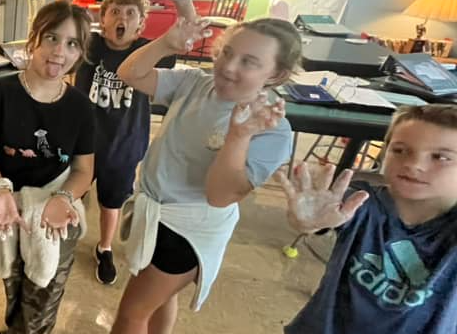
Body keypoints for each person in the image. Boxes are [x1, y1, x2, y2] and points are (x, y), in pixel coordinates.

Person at [112, 17, 302, 334]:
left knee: (132, 314)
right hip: (157, 212)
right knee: (160, 296)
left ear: (276, 74)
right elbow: (129, 73)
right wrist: (164, 44)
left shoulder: (272, 129)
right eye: (227, 53)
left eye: (249, 62)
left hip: (188, 227)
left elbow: (220, 195)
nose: (229, 67)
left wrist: (238, 137)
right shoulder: (195, 84)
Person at [64, 0, 203, 285]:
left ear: (141, 24)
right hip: (80, 144)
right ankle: (65, 241)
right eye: (114, 12)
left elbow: (186, 35)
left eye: (130, 13)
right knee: (71, 195)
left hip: (123, 146)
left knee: (112, 202)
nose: (121, 18)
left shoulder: (148, 51)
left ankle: (105, 247)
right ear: (102, 17)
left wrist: (184, 2)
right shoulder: (90, 46)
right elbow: (60, 23)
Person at [280, 104, 457, 334]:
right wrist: (308, 222)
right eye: (400, 150)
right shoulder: (361, 201)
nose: (413, 164)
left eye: (440, 157)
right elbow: (323, 218)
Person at [0, 1, 95, 334]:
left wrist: (63, 199)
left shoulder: (81, 108)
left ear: (80, 52)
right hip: (10, 209)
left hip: (59, 211)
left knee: (43, 301)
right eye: (52, 38)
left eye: (72, 44)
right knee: (14, 291)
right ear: (34, 39)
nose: (60, 51)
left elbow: (84, 170)